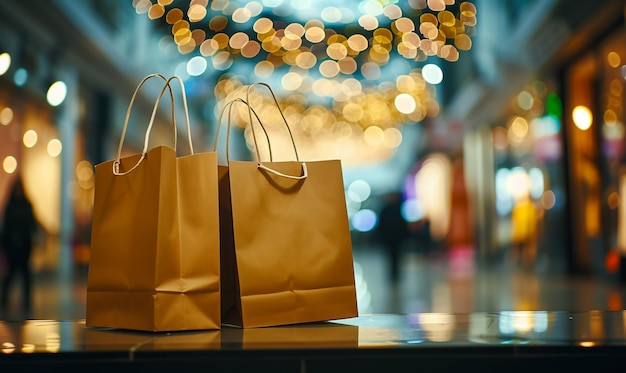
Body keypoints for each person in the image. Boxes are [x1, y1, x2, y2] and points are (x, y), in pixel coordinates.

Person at [0, 178, 38, 317]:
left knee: (25, 273)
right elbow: (6, 226)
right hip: (11, 245)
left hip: (24, 245)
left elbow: (32, 222)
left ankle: (26, 301)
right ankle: (4, 300)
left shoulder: (26, 205)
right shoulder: (10, 206)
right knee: (11, 273)